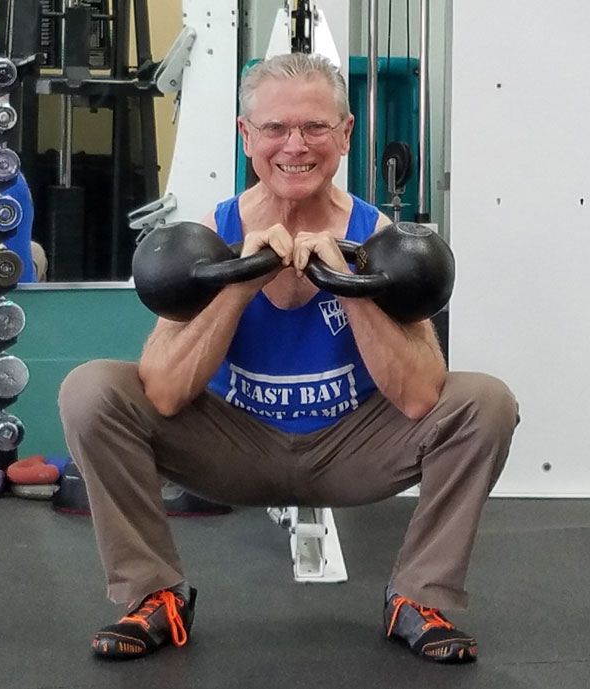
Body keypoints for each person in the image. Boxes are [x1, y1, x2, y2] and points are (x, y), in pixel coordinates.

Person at [58, 52, 519, 664]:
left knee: (485, 401)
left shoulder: (378, 239)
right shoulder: (212, 236)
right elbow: (164, 393)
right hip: (233, 446)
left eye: (314, 127)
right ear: (247, 135)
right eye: (274, 128)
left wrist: (347, 282)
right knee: (92, 389)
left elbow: (419, 397)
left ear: (345, 134)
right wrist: (239, 283)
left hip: (350, 449)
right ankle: (154, 596)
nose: (294, 146)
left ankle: (417, 596)